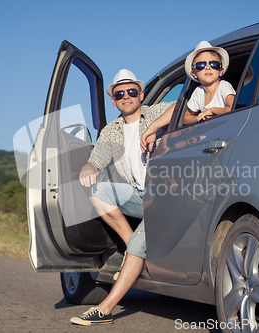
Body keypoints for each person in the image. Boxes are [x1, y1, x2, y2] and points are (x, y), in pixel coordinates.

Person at [70, 69, 175, 326]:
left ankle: (105, 310)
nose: (126, 97)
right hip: (139, 197)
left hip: (163, 198)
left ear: (141, 95)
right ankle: (133, 247)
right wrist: (88, 168)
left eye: (131, 92)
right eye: (120, 94)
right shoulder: (111, 130)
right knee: (95, 189)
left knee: (140, 246)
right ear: (114, 101)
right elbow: (96, 159)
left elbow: (181, 105)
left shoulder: (153, 112)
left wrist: (154, 127)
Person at [140, 41, 235, 153]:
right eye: (201, 65)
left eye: (214, 64)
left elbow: (233, 108)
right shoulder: (198, 92)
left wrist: (212, 111)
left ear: (221, 71)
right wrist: (199, 118)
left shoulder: (224, 86)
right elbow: (186, 118)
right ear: (194, 73)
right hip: (211, 139)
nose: (208, 68)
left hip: (228, 136)